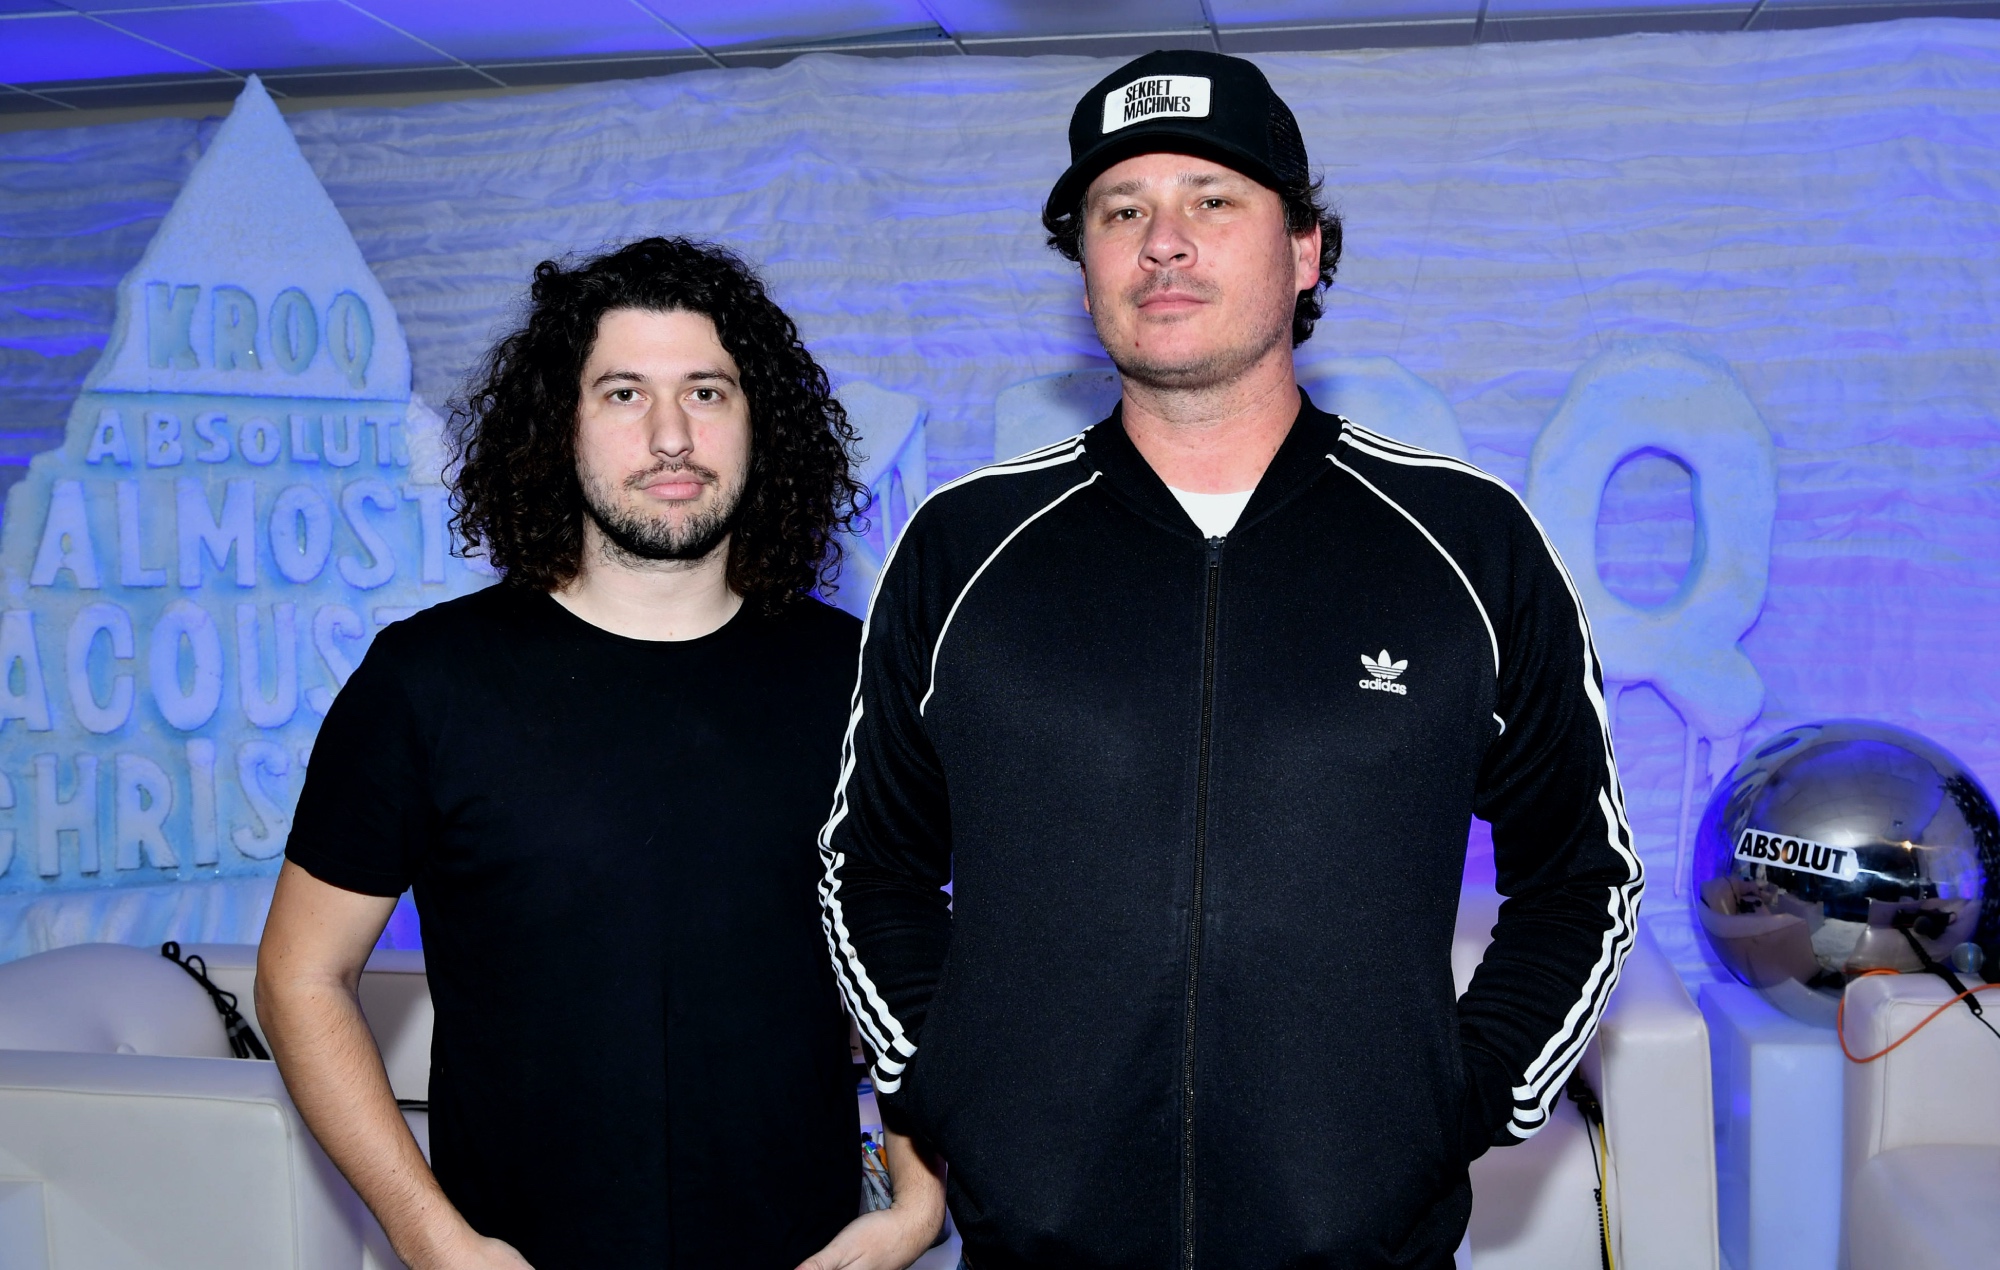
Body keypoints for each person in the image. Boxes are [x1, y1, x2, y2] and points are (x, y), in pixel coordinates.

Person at [820, 50, 1644, 1269]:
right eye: (1120, 210)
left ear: (1304, 251)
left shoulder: (1466, 544)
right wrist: (947, 1081)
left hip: (1366, 1247)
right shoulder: (962, 548)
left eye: (1212, 199)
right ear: (1086, 265)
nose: (1163, 240)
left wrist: (1459, 1098)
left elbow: (1584, 877)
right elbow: (865, 863)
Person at [257, 237, 943, 1270]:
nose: (671, 434)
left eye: (706, 392)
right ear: (558, 426)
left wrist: (916, 1195)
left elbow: (904, 958)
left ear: (762, 423)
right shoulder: (427, 680)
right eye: (623, 393)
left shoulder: (855, 678)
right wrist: (431, 1237)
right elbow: (300, 975)